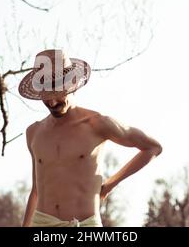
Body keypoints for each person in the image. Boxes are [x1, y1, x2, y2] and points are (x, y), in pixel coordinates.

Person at [19, 49, 162, 227]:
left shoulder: (97, 124)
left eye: (57, 93)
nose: (52, 103)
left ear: (71, 83)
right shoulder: (34, 132)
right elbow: (36, 191)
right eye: (46, 96)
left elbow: (152, 148)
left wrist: (109, 185)